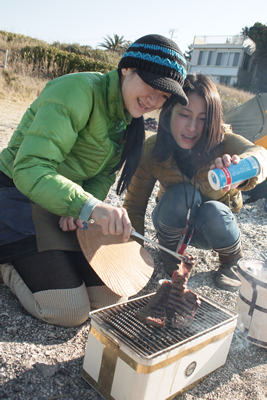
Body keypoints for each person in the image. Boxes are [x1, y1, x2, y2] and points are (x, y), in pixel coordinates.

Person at [0, 34, 188, 326]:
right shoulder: (78, 91)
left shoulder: (128, 120)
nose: (154, 99)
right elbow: (29, 168)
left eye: (164, 96)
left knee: (108, 298)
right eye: (151, 84)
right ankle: (8, 262)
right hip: (18, 197)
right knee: (69, 310)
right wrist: (87, 206)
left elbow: (102, 174)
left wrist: (81, 211)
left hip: (61, 203)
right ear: (126, 68)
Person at [123, 74, 267, 292]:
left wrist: (242, 171)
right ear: (170, 113)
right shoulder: (153, 149)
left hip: (210, 228)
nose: (192, 127)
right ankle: (170, 256)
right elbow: (134, 207)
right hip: (172, 222)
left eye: (203, 118)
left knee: (214, 210)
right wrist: (131, 253)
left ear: (213, 121)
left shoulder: (224, 141)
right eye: (184, 114)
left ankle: (231, 260)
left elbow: (262, 155)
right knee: (180, 194)